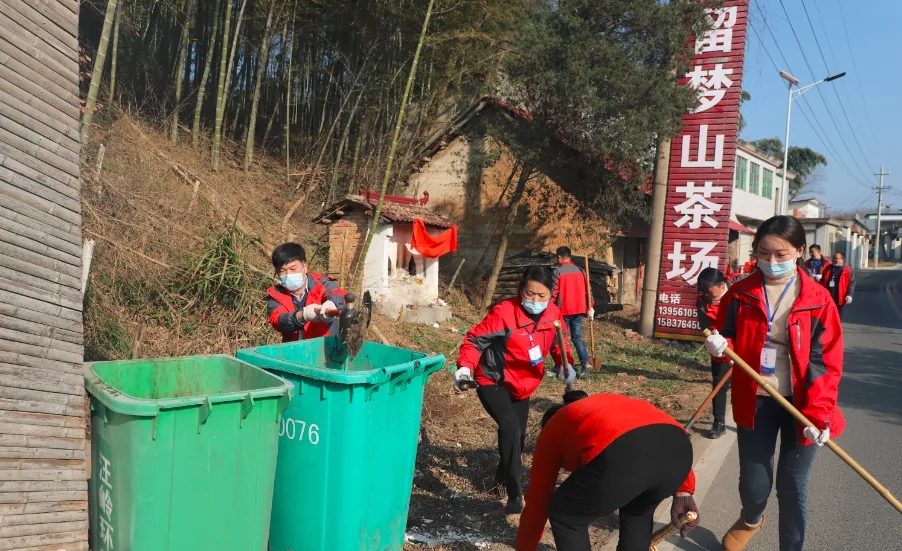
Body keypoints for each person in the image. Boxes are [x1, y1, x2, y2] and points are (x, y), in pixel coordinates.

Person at [705, 215, 844, 551]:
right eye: (764, 254)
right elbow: (727, 337)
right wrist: (721, 347)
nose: (772, 262)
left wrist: (820, 416)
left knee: (793, 485)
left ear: (799, 251)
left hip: (803, 404)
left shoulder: (818, 299)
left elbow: (825, 362)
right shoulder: (739, 294)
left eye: (781, 255)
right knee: (754, 484)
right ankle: (752, 517)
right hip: (755, 398)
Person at [454, 266, 574, 514]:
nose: (535, 301)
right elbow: (475, 340)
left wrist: (565, 365)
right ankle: (515, 495)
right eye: (530, 294)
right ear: (521, 290)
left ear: (551, 295)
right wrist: (464, 368)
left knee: (517, 439)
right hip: (492, 379)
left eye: (542, 296)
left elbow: (558, 346)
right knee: (510, 425)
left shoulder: (554, 315)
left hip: (524, 384)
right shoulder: (504, 313)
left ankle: (500, 480)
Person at [516, 391, 699, 551]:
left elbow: (538, 500)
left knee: (565, 514)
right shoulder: (603, 404)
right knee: (638, 513)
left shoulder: (553, 429)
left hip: (626, 453)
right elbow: (655, 438)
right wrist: (684, 491)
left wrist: (525, 547)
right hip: (679, 449)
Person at [266, 242, 346, 342]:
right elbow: (277, 321)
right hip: (294, 351)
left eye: (293, 269)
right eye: (282, 270)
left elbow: (338, 294)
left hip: (327, 346)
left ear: (305, 266)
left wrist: (331, 304)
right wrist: (302, 315)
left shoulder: (322, 283)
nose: (288, 274)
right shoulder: (276, 294)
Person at [696, 267, 732, 439]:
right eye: (706, 294)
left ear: (722, 285)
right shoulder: (702, 300)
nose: (710, 297)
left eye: (712, 293)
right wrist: (712, 337)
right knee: (719, 385)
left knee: (750, 386)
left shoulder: (737, 297)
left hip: (742, 346)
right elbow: (705, 326)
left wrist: (735, 347)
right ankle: (719, 423)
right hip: (719, 347)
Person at [550, 246, 594, 378]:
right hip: (579, 309)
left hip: (562, 311)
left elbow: (554, 292)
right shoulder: (581, 271)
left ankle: (561, 365)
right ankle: (585, 363)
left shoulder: (558, 271)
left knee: (559, 339)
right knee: (577, 338)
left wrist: (549, 308)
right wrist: (590, 306)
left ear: (559, 257)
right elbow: (588, 291)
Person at [821, 252, 855, 319]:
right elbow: (823, 281)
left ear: (842, 259)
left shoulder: (847, 270)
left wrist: (849, 294)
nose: (834, 260)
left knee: (837, 316)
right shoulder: (828, 268)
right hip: (828, 296)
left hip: (839, 296)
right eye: (833, 258)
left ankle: (837, 329)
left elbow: (852, 282)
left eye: (836, 258)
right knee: (827, 315)